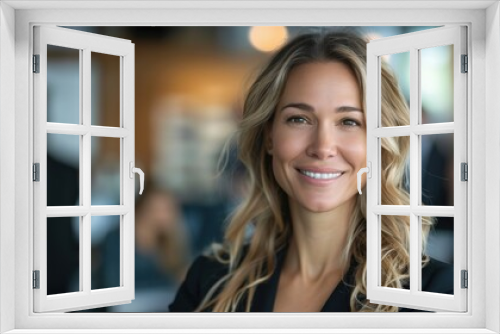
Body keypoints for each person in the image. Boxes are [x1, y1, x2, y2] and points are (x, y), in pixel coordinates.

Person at [169, 30, 453, 313]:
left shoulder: (431, 292)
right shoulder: (210, 281)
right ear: (269, 136)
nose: (323, 146)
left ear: (381, 142)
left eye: (349, 122)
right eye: (299, 119)